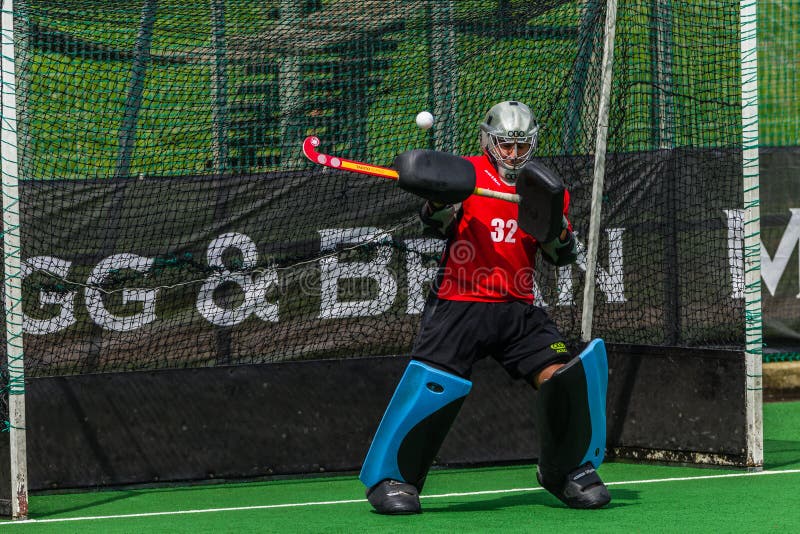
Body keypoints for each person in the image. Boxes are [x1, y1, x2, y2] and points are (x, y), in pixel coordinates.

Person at [359, 101, 610, 514]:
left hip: (518, 308)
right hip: (461, 303)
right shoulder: (466, 175)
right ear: (488, 141)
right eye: (505, 145)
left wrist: (559, 231)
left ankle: (566, 471)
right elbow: (435, 225)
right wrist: (438, 202)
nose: (513, 154)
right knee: (432, 386)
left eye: (521, 145)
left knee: (564, 376)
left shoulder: (547, 189)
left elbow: (557, 254)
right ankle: (394, 479)